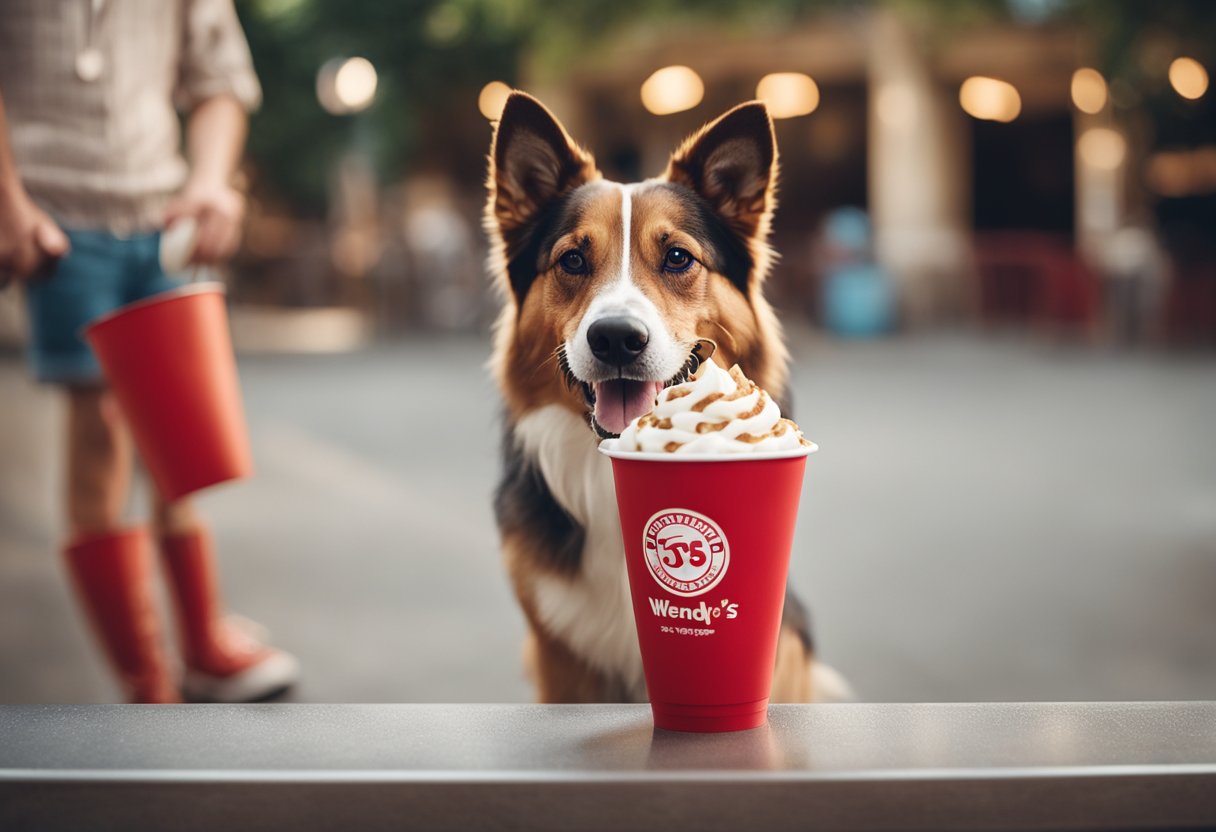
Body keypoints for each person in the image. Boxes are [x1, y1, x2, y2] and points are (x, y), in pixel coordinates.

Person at [0, 0, 297, 703]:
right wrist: (7, 203)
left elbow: (221, 76)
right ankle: (146, 685)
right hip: (57, 227)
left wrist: (209, 180)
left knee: (178, 446)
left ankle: (201, 645)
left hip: (165, 220)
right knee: (100, 432)